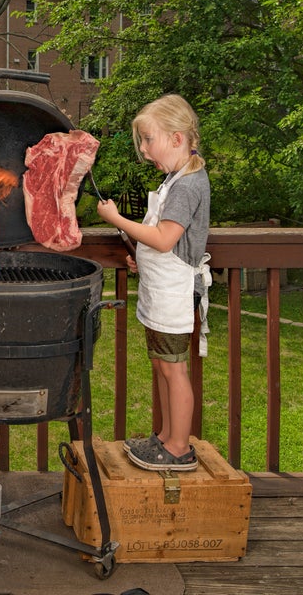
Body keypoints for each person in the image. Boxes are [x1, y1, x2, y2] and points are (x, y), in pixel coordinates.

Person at [97, 94, 211, 473]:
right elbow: (160, 242)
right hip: (160, 290)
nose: (144, 151)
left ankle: (179, 447)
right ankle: (165, 437)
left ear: (177, 138)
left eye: (149, 139)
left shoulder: (188, 185)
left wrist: (116, 219)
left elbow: (164, 238)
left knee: (175, 370)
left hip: (174, 295)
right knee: (163, 366)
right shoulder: (174, 180)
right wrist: (140, 260)